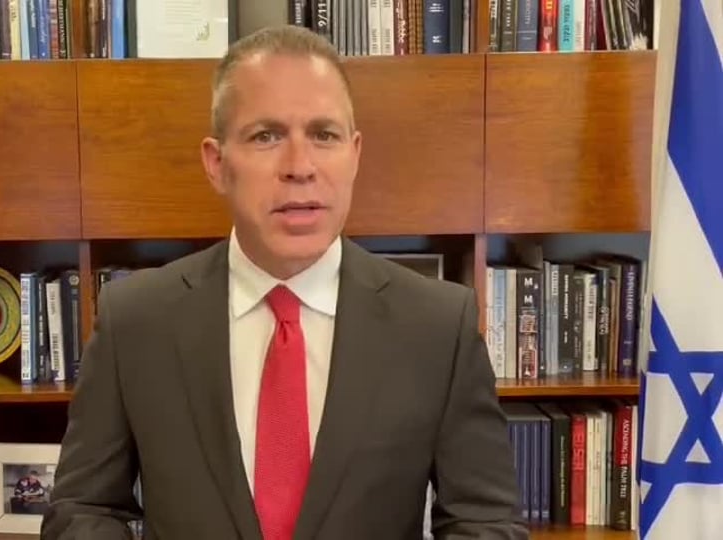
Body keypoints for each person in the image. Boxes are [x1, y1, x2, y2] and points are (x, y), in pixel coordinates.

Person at [41, 24, 527, 540]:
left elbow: (486, 523)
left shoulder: (438, 328)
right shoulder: (135, 321)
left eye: (324, 135)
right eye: (266, 136)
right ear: (217, 163)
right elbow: (82, 509)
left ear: (354, 154)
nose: (300, 166)